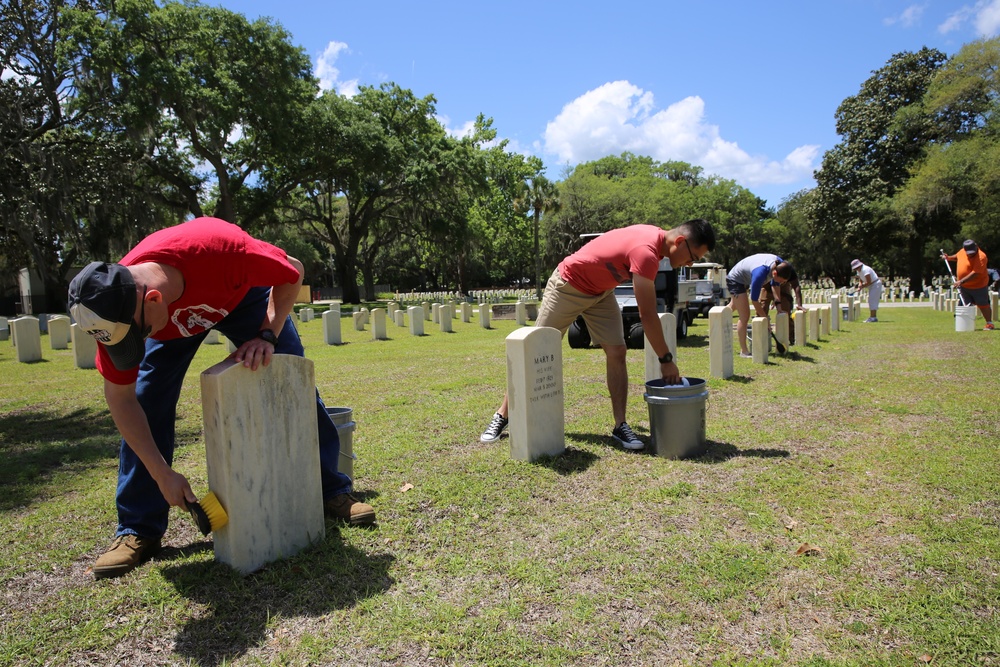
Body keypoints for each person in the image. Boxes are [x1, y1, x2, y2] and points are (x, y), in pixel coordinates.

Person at [68, 217, 375, 580]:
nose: (130, 348)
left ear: (152, 299)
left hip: (239, 298)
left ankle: (329, 490)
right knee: (146, 398)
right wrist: (161, 473)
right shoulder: (113, 310)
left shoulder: (222, 251)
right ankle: (139, 528)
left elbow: (292, 271)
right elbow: (121, 400)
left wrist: (268, 334)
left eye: (140, 334)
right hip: (173, 323)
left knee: (292, 382)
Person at [478, 219, 716, 450]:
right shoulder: (646, 252)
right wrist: (666, 360)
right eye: (693, 257)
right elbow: (647, 314)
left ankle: (620, 425)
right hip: (568, 286)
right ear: (680, 241)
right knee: (535, 350)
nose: (690, 265)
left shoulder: (655, 240)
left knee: (617, 350)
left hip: (600, 293)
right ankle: (503, 415)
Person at [726, 254, 795, 357]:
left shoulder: (780, 264)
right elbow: (754, 300)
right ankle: (744, 351)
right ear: (775, 273)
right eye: (781, 281)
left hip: (745, 276)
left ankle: (717, 320)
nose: (781, 284)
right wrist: (765, 318)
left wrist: (779, 307)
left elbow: (775, 285)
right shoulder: (760, 274)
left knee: (731, 308)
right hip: (736, 279)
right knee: (744, 316)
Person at [942, 240, 994, 331]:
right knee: (964, 305)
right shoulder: (963, 251)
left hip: (978, 285)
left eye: (972, 253)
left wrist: (960, 281)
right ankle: (964, 324)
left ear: (976, 246)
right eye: (968, 253)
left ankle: (989, 323)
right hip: (965, 287)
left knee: (983, 304)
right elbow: (957, 257)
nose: (970, 255)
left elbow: (975, 273)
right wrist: (949, 258)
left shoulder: (981, 256)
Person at [757, 264, 805, 344]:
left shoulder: (790, 272)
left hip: (783, 288)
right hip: (766, 286)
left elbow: (796, 286)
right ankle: (760, 340)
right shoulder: (769, 268)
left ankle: (791, 338)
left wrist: (799, 305)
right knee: (762, 310)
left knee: (785, 312)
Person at [851, 258, 882, 323]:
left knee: (872, 300)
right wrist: (860, 285)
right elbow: (861, 279)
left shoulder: (866, 269)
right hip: (871, 285)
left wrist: (862, 287)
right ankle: (873, 317)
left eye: (856, 268)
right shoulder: (859, 271)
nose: (856, 269)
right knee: (871, 300)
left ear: (859, 266)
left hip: (875, 284)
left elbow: (869, 282)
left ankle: (873, 317)